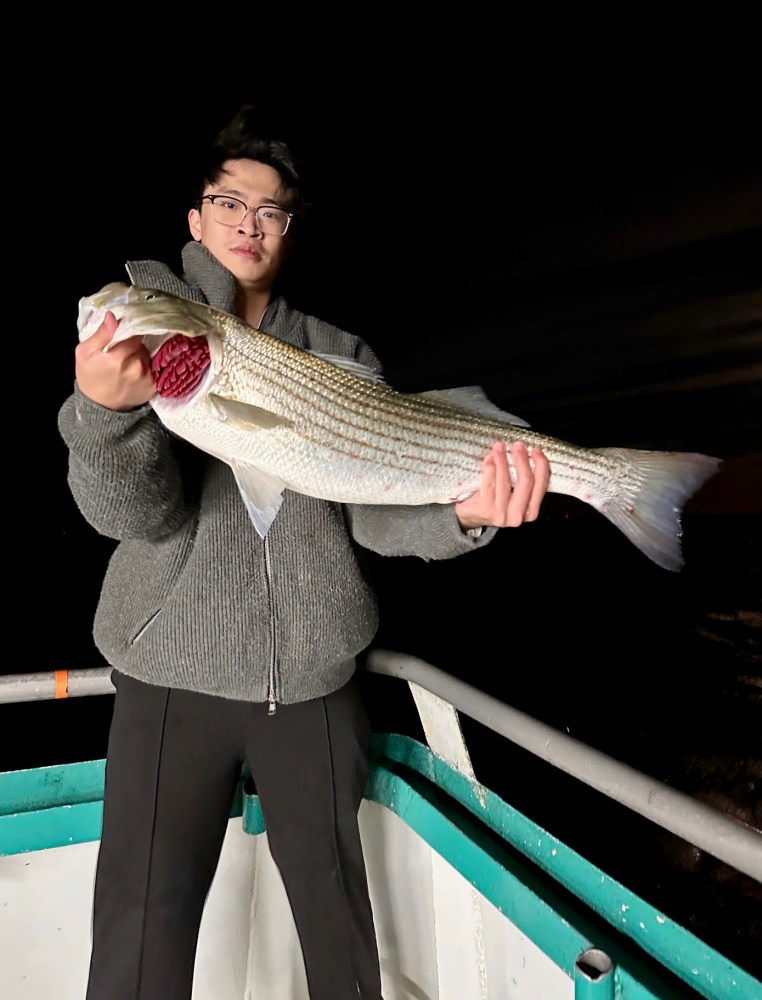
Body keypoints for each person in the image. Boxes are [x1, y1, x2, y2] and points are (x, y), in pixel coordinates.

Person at [58, 104, 551, 1000]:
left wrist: (464, 514)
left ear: (287, 229)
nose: (250, 224)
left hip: (317, 687)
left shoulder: (337, 350)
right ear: (196, 218)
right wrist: (103, 412)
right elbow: (131, 516)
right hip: (172, 682)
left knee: (339, 938)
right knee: (139, 942)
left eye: (272, 210)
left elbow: (374, 516)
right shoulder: (157, 333)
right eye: (230, 203)